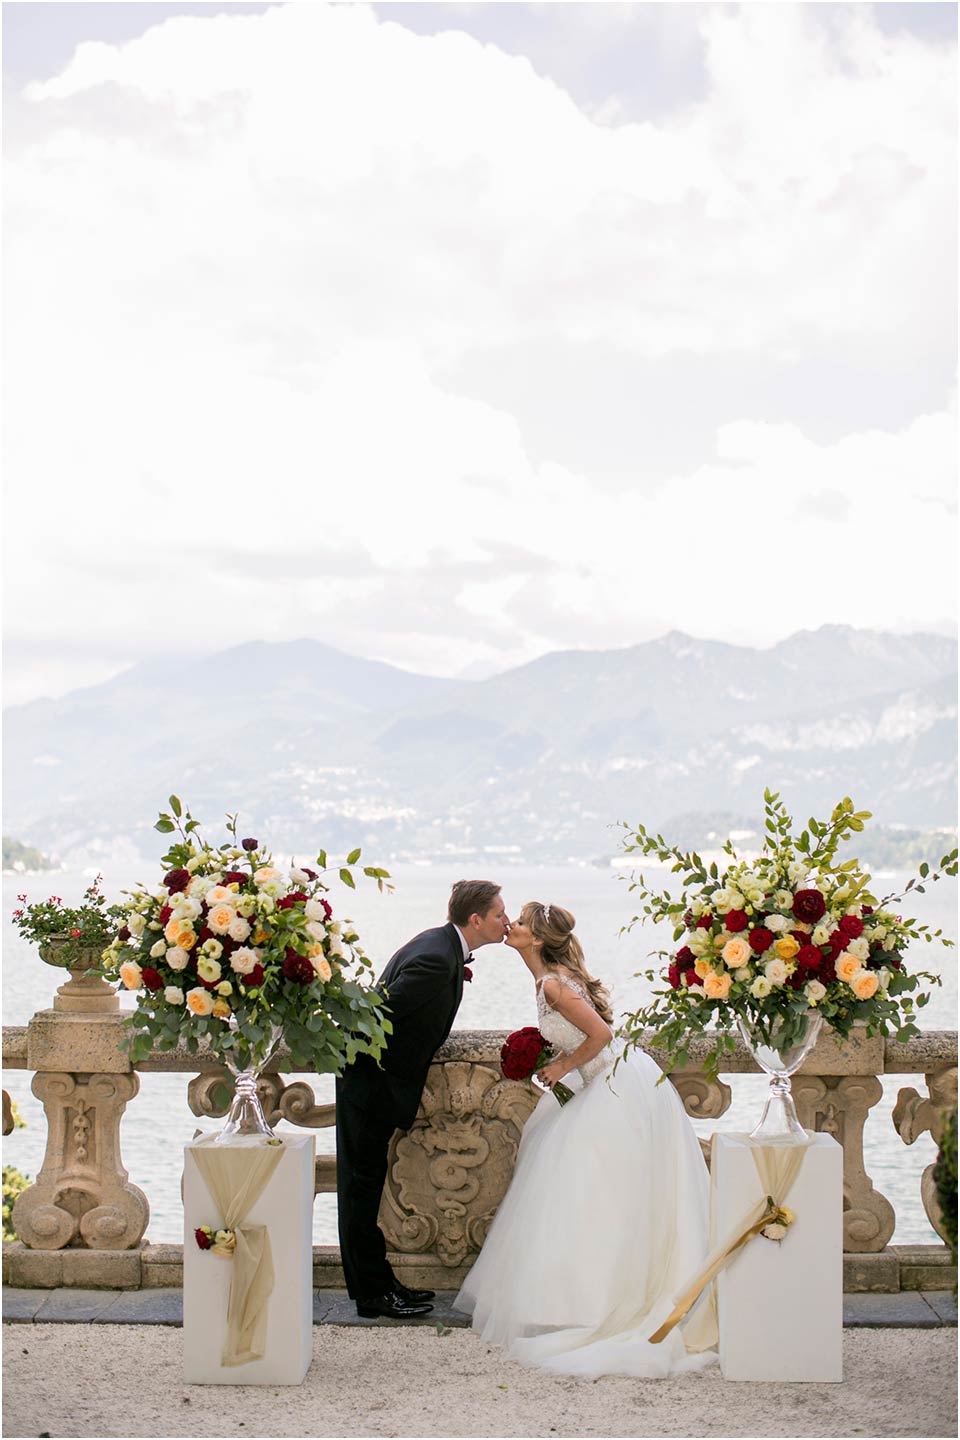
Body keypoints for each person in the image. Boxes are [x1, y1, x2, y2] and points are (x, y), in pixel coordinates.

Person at [455, 901, 716, 1377]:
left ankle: (600, 1304)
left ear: (535, 938)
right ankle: (578, 1299)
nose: (510, 924)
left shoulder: (554, 984)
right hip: (600, 1081)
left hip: (613, 1086)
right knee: (579, 1188)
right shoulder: (546, 976)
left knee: (591, 1191)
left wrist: (559, 1067)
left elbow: (600, 1034)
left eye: (520, 921)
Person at [336, 879, 509, 1319]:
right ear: (476, 920)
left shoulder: (438, 944)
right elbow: (376, 1015)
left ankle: (379, 1285)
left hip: (373, 1083)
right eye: (498, 915)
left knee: (365, 1188)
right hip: (372, 1085)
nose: (505, 922)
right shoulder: (435, 958)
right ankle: (373, 1296)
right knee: (360, 1190)